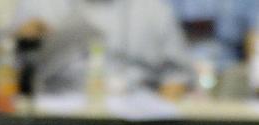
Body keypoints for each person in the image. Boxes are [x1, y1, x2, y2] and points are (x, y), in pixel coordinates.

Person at [10, 0, 192, 98]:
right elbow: (10, 73)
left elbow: (176, 78)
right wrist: (25, 44)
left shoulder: (154, 9)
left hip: (135, 121)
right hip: (58, 118)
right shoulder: (38, 4)